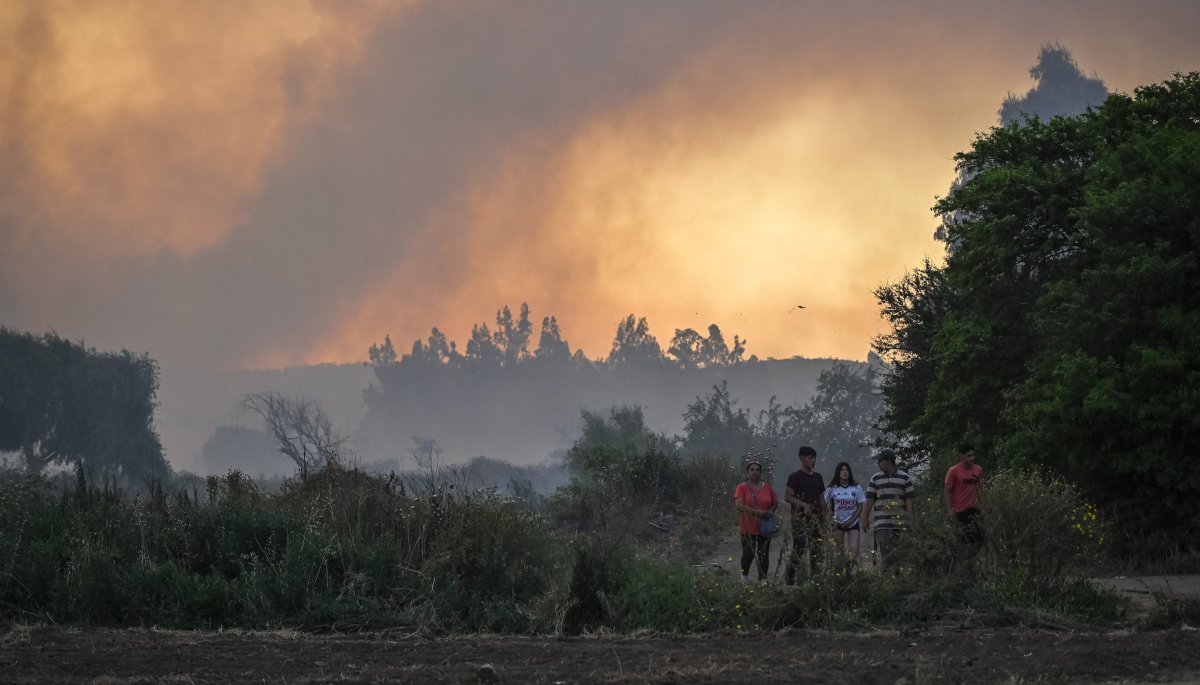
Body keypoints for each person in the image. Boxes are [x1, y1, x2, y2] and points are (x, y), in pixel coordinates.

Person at [862, 449, 916, 571]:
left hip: (900, 523)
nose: (878, 464)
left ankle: (897, 579)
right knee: (887, 554)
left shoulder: (905, 478)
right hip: (882, 523)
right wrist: (865, 519)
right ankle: (889, 577)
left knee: (900, 554)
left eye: (880, 460)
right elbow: (870, 500)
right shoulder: (875, 479)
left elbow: (909, 501)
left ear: (888, 461)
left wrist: (910, 520)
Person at [784, 445, 826, 584]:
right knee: (800, 546)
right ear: (802, 458)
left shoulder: (818, 477)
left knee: (816, 548)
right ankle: (790, 577)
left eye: (814, 458)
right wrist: (802, 505)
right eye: (810, 458)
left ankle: (815, 578)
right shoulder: (795, 476)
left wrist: (826, 516)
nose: (813, 461)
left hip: (817, 518)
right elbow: (788, 496)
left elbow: (821, 498)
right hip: (800, 518)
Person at [733, 460, 778, 583]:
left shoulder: (767, 487)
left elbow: (775, 502)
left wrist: (770, 511)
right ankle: (744, 577)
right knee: (748, 554)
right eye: (752, 469)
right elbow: (739, 505)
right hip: (748, 527)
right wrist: (758, 512)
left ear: (761, 473)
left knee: (763, 554)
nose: (755, 472)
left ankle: (763, 580)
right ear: (747, 473)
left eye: (757, 470)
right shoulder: (741, 487)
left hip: (764, 527)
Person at [944, 443, 985, 559]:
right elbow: (947, 491)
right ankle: (961, 563)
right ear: (961, 456)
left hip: (975, 509)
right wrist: (950, 509)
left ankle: (967, 561)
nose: (972, 458)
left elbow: (982, 488)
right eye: (968, 456)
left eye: (973, 455)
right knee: (964, 540)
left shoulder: (978, 469)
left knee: (979, 540)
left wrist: (983, 505)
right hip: (960, 510)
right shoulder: (954, 470)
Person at [824, 461, 866, 569]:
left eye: (847, 469)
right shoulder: (832, 488)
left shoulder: (856, 487)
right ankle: (838, 576)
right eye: (842, 470)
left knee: (854, 550)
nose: (845, 472)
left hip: (853, 522)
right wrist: (830, 518)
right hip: (837, 523)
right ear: (838, 472)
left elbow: (860, 507)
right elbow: (824, 504)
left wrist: (850, 521)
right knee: (838, 552)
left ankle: (850, 572)